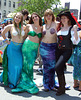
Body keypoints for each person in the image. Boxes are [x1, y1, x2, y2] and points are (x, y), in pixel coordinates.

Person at [11, 12, 42, 94]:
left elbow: (40, 41)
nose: (35, 18)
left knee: (30, 66)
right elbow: (23, 36)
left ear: (39, 17)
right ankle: (23, 84)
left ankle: (29, 81)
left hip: (34, 48)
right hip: (27, 46)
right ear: (31, 19)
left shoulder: (42, 28)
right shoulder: (29, 26)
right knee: (25, 65)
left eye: (36, 16)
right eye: (33, 17)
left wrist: (38, 51)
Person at [55, 10, 80, 96]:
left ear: (68, 19)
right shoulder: (60, 28)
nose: (63, 19)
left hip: (67, 50)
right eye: (62, 18)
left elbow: (76, 41)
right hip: (58, 50)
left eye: (64, 18)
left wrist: (76, 31)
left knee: (57, 67)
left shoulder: (72, 28)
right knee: (60, 69)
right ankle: (62, 87)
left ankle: (62, 87)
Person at [0, 12, 25, 88]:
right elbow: (3, 33)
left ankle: (4, 78)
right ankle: (12, 82)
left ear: (21, 19)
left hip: (20, 48)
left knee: (19, 65)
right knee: (13, 66)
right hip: (12, 48)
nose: (17, 19)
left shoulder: (23, 27)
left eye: (19, 18)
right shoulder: (10, 26)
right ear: (14, 18)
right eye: (16, 17)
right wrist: (6, 40)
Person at [39, 9, 58, 92]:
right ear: (45, 17)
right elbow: (40, 37)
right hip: (43, 47)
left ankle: (52, 85)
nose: (48, 16)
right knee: (45, 67)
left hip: (52, 47)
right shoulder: (43, 26)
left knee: (52, 67)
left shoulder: (56, 24)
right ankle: (46, 85)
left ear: (52, 16)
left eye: (50, 15)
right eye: (47, 15)